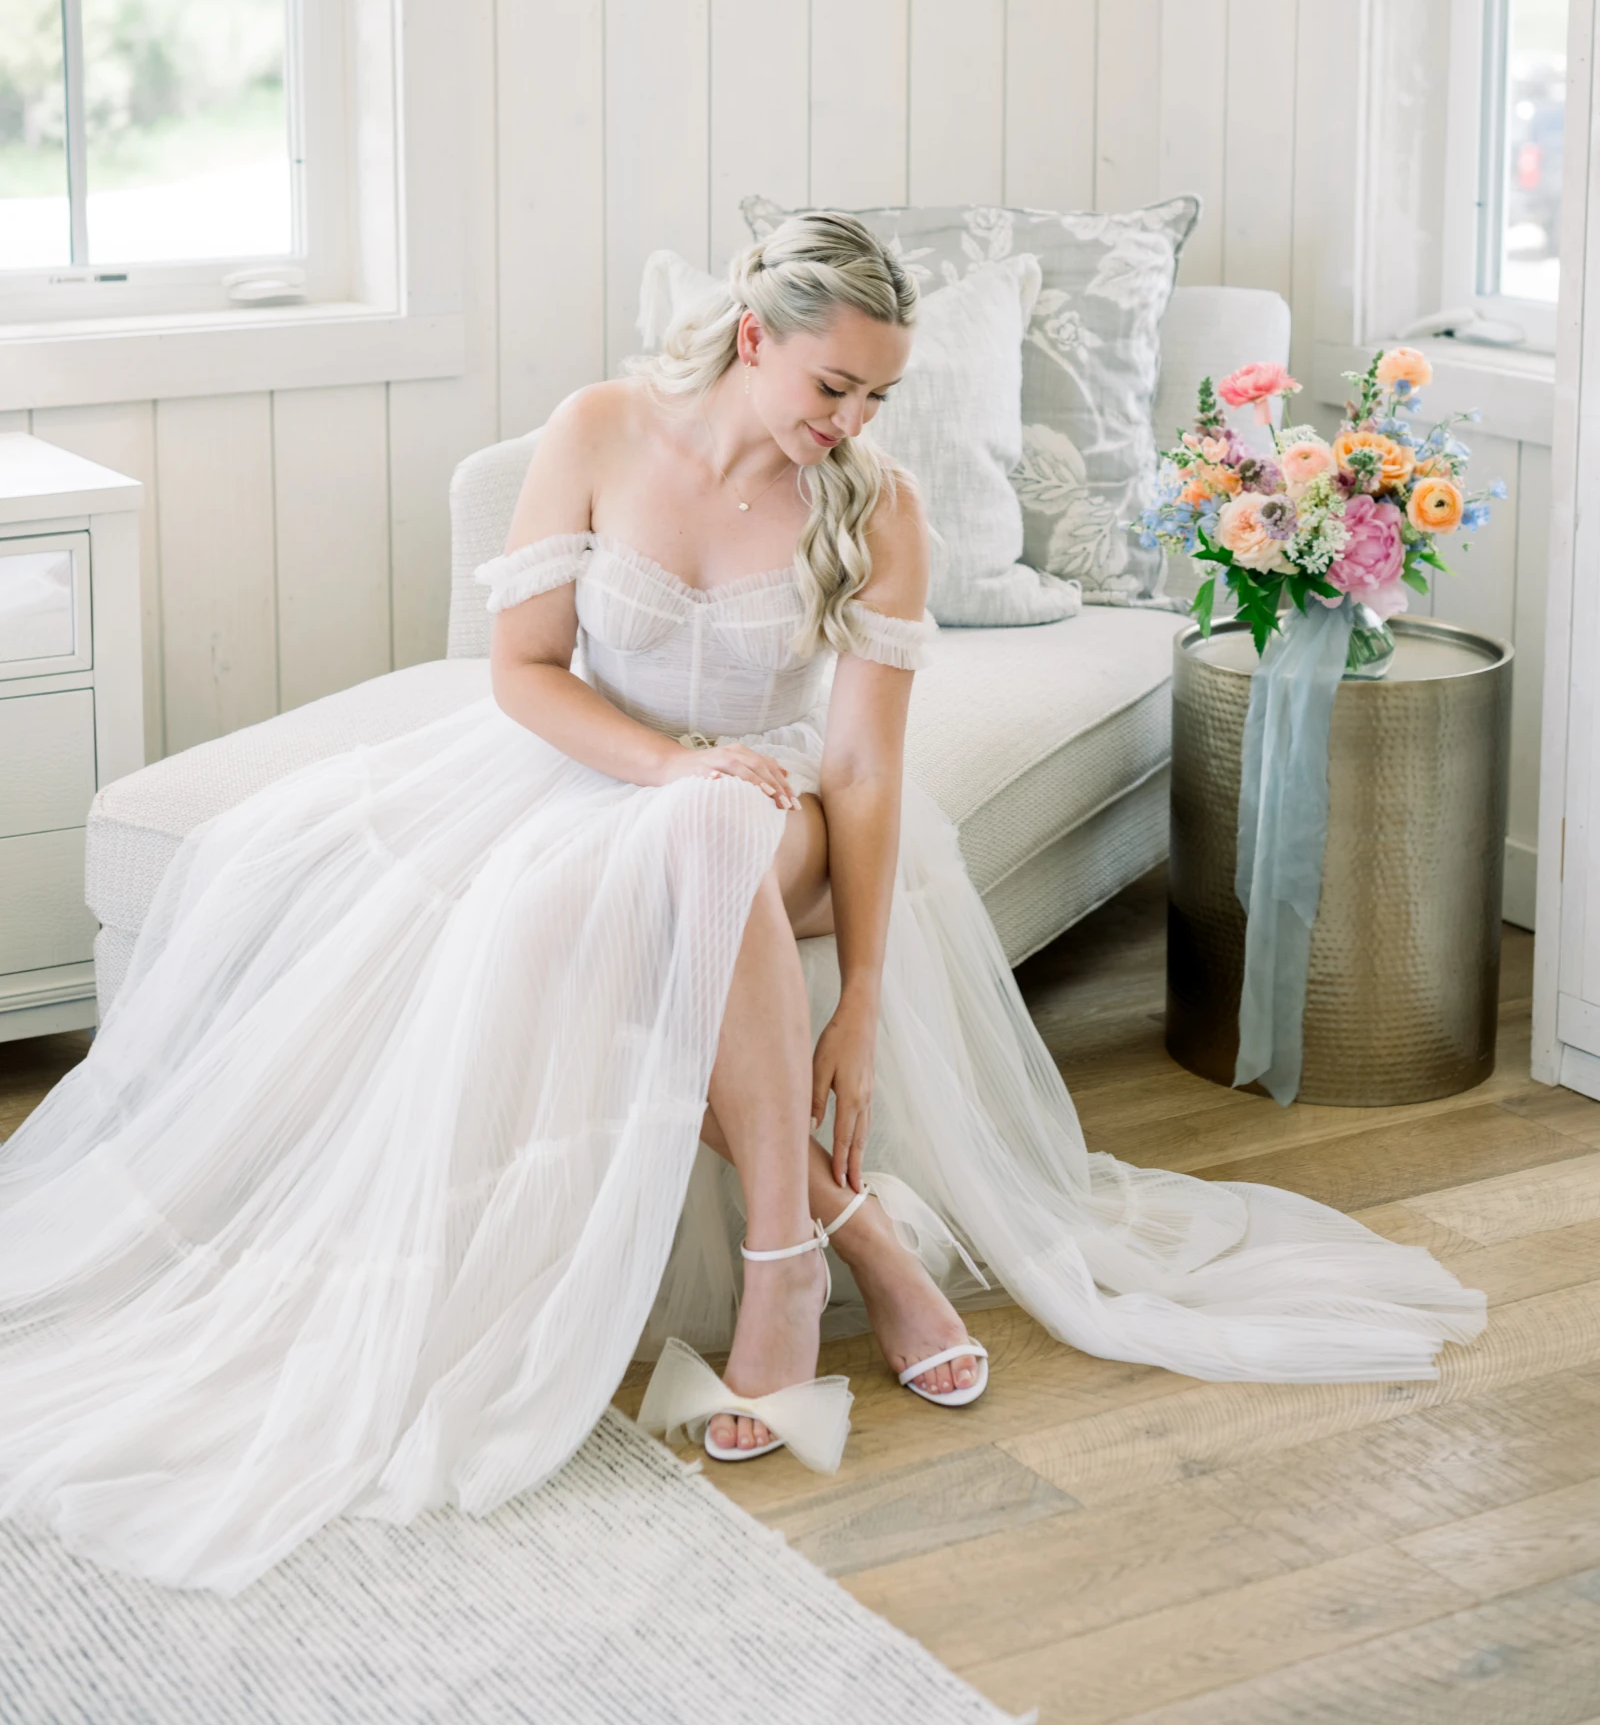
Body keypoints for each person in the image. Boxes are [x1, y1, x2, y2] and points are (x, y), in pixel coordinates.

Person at [0, 212, 1483, 1592]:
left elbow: (867, 769)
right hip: (598, 777)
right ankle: (844, 1238)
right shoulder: (597, 430)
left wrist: (866, 996)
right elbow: (522, 672)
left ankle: (780, 1280)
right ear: (756, 337)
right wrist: (667, 764)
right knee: (617, 875)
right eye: (834, 386)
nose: (851, 422)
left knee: (715, 826)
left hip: (781, 817)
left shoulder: (878, 507)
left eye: (878, 397)